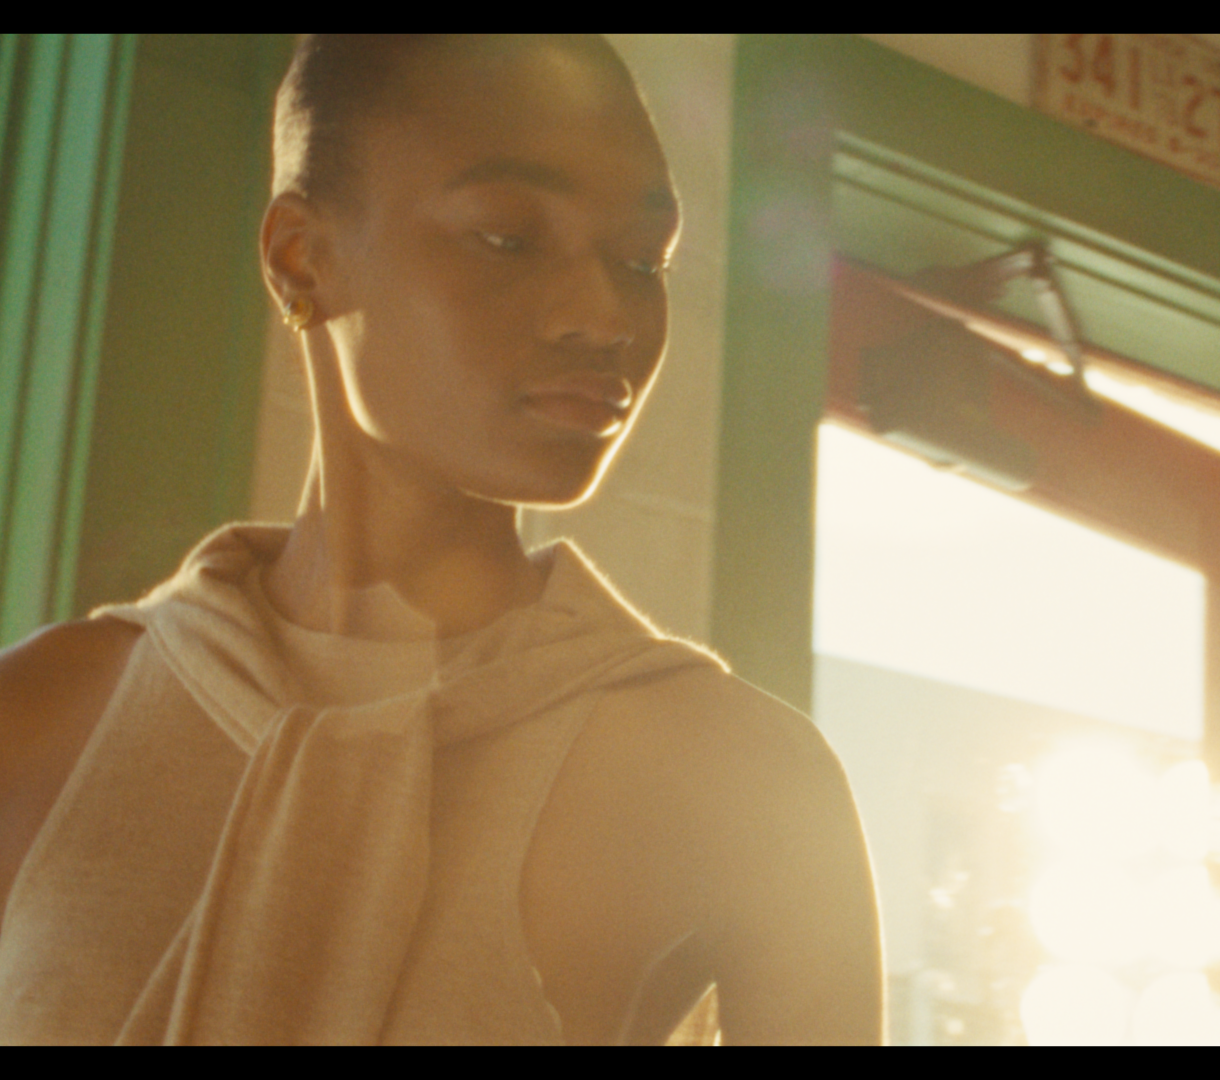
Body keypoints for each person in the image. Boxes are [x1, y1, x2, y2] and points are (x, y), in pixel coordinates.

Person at [0, 34, 882, 1045]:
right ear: (303, 257)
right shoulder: (34, 726)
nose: (605, 314)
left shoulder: (750, 786)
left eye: (643, 260)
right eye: (507, 236)